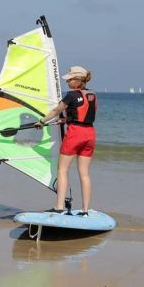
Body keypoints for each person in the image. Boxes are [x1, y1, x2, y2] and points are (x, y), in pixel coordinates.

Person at [34, 66, 97, 217]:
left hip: (75, 134)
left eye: (69, 79)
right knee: (85, 174)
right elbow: (86, 114)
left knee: (62, 170)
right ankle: (85, 210)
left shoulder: (71, 95)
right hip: (90, 134)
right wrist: (66, 119)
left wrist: (41, 121)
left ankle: (59, 207)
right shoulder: (93, 95)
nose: (67, 81)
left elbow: (56, 110)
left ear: (77, 81)